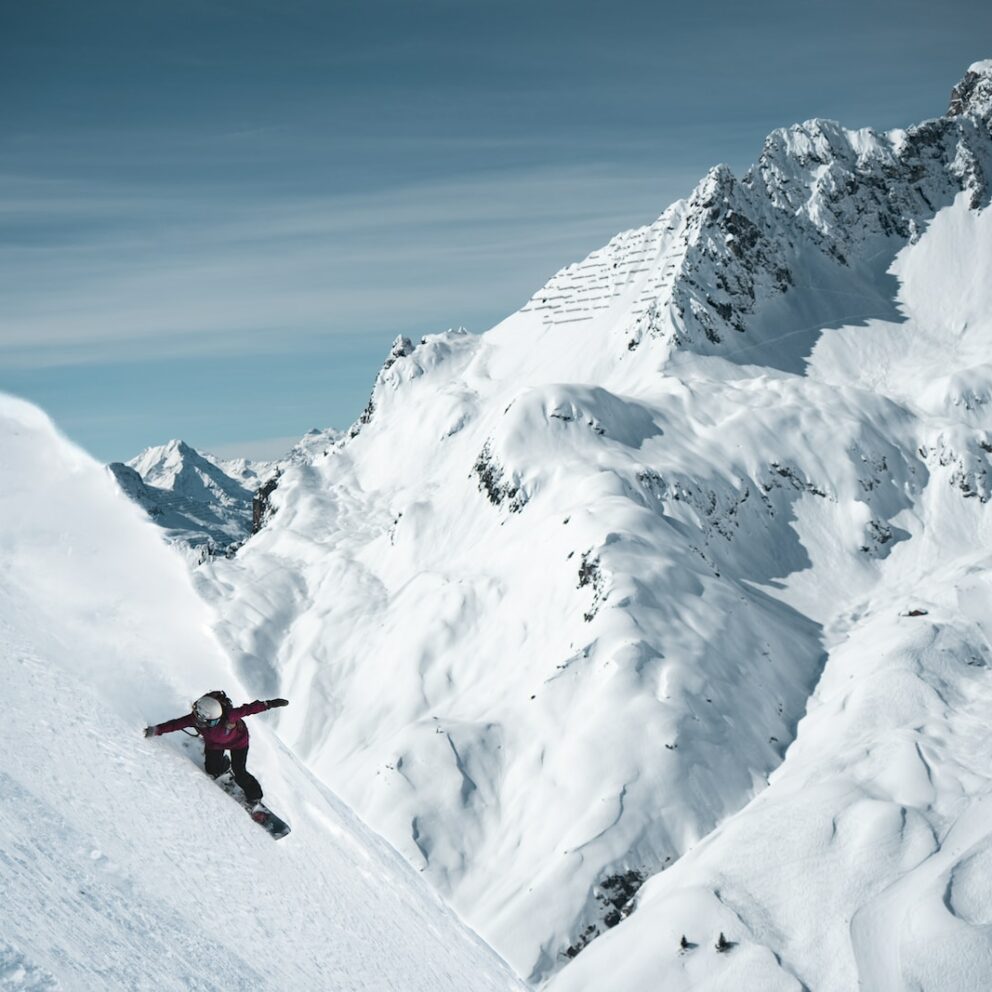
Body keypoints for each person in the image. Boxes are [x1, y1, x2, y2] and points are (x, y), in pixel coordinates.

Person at [144, 691, 288, 806]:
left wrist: (270, 704)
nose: (203, 723)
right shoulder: (195, 719)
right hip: (215, 745)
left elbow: (250, 709)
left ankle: (255, 796)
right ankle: (223, 765)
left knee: (240, 772)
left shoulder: (230, 716)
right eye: (202, 720)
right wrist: (156, 730)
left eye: (209, 721)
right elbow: (175, 724)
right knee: (212, 769)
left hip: (239, 744)